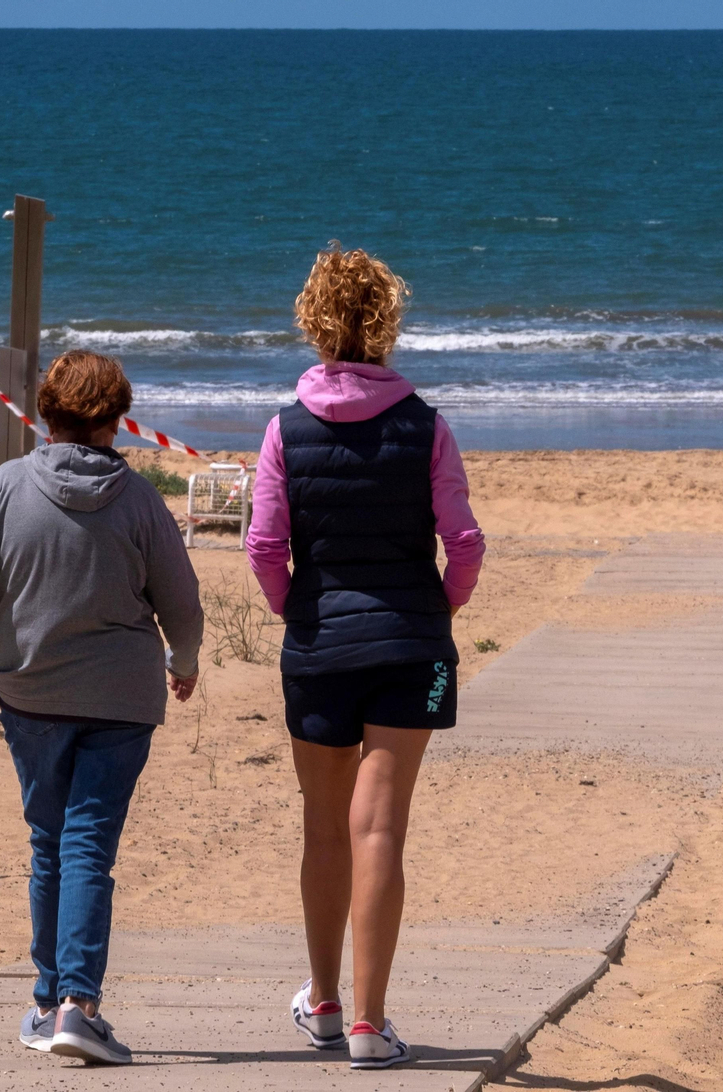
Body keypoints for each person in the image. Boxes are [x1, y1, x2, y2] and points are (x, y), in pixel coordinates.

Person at [246, 242, 484, 1070]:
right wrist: (443, 604)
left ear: (313, 323)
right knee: (380, 826)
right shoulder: (426, 425)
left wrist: (294, 611)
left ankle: (323, 1003)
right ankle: (369, 1026)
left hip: (318, 642)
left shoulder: (285, 429)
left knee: (323, 829)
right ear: (386, 322)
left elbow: (266, 545)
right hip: (408, 642)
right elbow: (463, 539)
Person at [0, 350, 203, 1066]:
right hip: (121, 696)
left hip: (28, 690)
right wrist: (184, 663)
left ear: (48, 415)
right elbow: (181, 604)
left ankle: (48, 999)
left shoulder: (5, 487)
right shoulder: (141, 499)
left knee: (48, 840)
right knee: (87, 842)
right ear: (118, 421)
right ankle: (77, 1006)